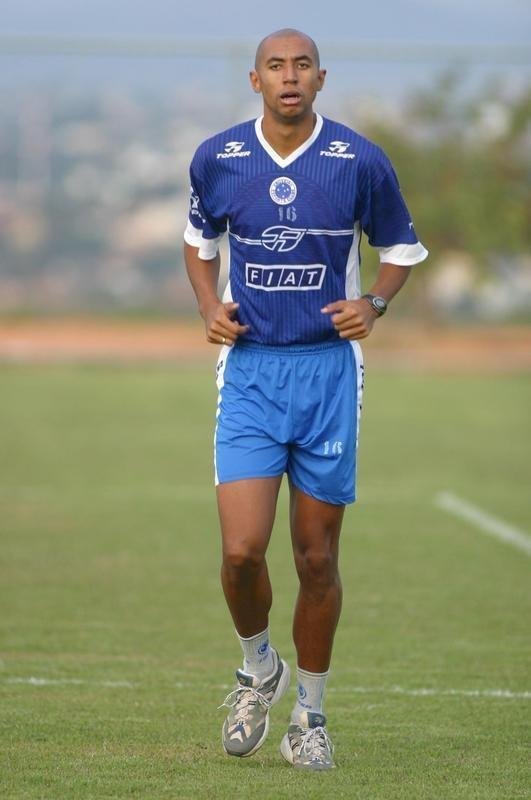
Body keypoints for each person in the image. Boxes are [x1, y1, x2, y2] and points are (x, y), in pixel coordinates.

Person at [183, 28, 427, 770]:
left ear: (319, 79)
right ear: (253, 80)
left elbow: (401, 250)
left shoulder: (357, 160)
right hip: (251, 371)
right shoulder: (218, 158)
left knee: (315, 558)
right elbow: (199, 242)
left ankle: (310, 718)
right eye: (274, 67)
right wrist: (206, 307)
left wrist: (374, 306)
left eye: (300, 67)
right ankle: (258, 668)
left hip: (327, 375)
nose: (288, 78)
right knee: (238, 551)